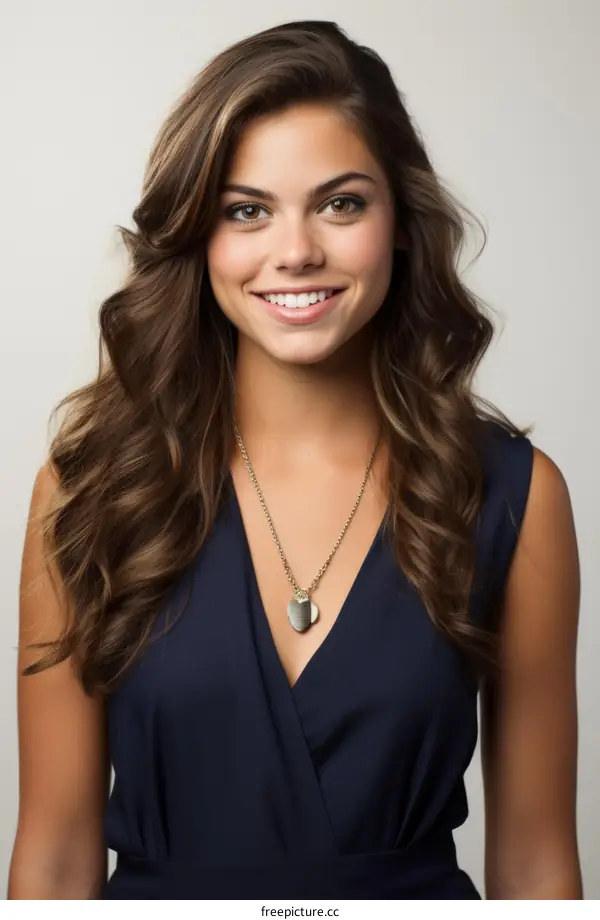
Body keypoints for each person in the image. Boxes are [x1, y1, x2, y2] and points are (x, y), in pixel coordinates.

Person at [8, 19, 582, 900]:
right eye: (247, 210)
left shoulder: (513, 496)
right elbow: (52, 855)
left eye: (341, 203)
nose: (296, 250)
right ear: (199, 236)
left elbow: (538, 865)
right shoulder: (88, 495)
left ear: (399, 220)